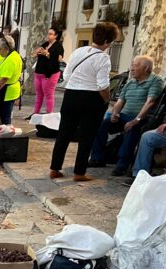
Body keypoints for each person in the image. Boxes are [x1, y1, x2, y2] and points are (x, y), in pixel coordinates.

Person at [49, 22, 119, 182]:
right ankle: (79, 172)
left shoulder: (78, 51)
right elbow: (103, 85)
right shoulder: (103, 58)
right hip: (91, 98)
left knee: (63, 134)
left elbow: (66, 75)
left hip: (71, 95)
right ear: (108, 41)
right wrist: (107, 99)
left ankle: (54, 168)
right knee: (86, 136)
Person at [89, 56, 164, 176]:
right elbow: (120, 101)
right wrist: (115, 113)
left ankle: (122, 165)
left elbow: (150, 102)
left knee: (132, 128)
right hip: (124, 115)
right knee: (102, 124)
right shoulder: (130, 82)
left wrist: (136, 119)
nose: (132, 68)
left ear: (146, 68)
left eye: (135, 65)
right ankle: (97, 158)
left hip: (142, 118)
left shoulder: (155, 80)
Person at [32, 26, 64, 115]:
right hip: (38, 72)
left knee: (49, 95)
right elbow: (35, 55)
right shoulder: (45, 44)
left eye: (51, 34)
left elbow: (59, 59)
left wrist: (48, 54)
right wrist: (36, 52)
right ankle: (35, 113)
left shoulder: (58, 46)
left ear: (56, 36)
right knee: (39, 95)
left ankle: (49, 114)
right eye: (48, 33)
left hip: (50, 74)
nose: (48, 36)